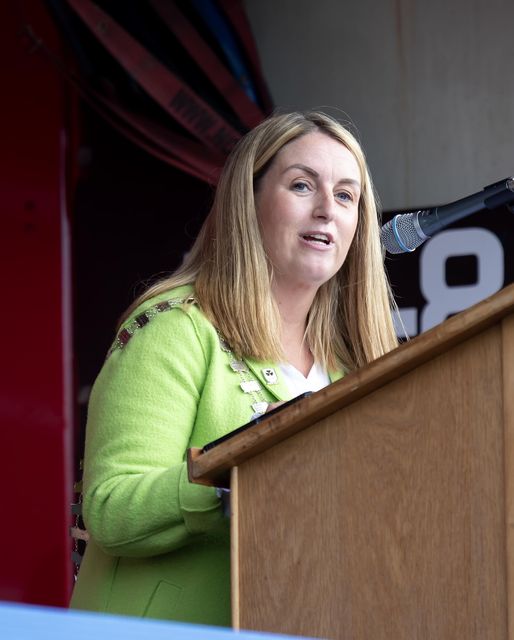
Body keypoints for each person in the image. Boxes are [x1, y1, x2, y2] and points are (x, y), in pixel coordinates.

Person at [70, 110, 399, 625]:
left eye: (345, 196)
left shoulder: (353, 366)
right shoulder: (175, 328)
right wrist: (237, 476)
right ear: (248, 201)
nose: (325, 211)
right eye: (301, 186)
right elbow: (111, 510)